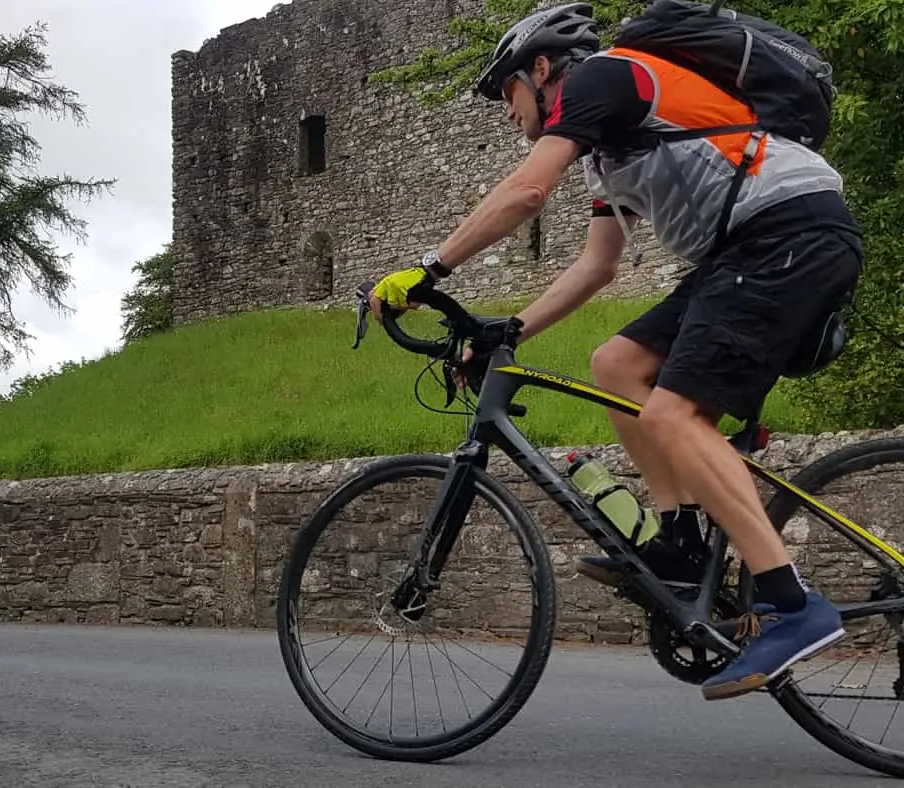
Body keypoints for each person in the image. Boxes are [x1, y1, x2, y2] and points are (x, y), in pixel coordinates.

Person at [367, 2, 862, 701]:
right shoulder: (607, 148)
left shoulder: (606, 78)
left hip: (786, 233)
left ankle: (791, 602)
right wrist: (511, 328)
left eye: (505, 92)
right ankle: (683, 548)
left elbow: (528, 189)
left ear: (541, 69)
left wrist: (429, 270)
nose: (506, 112)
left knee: (671, 417)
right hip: (744, 252)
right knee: (616, 364)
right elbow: (599, 265)